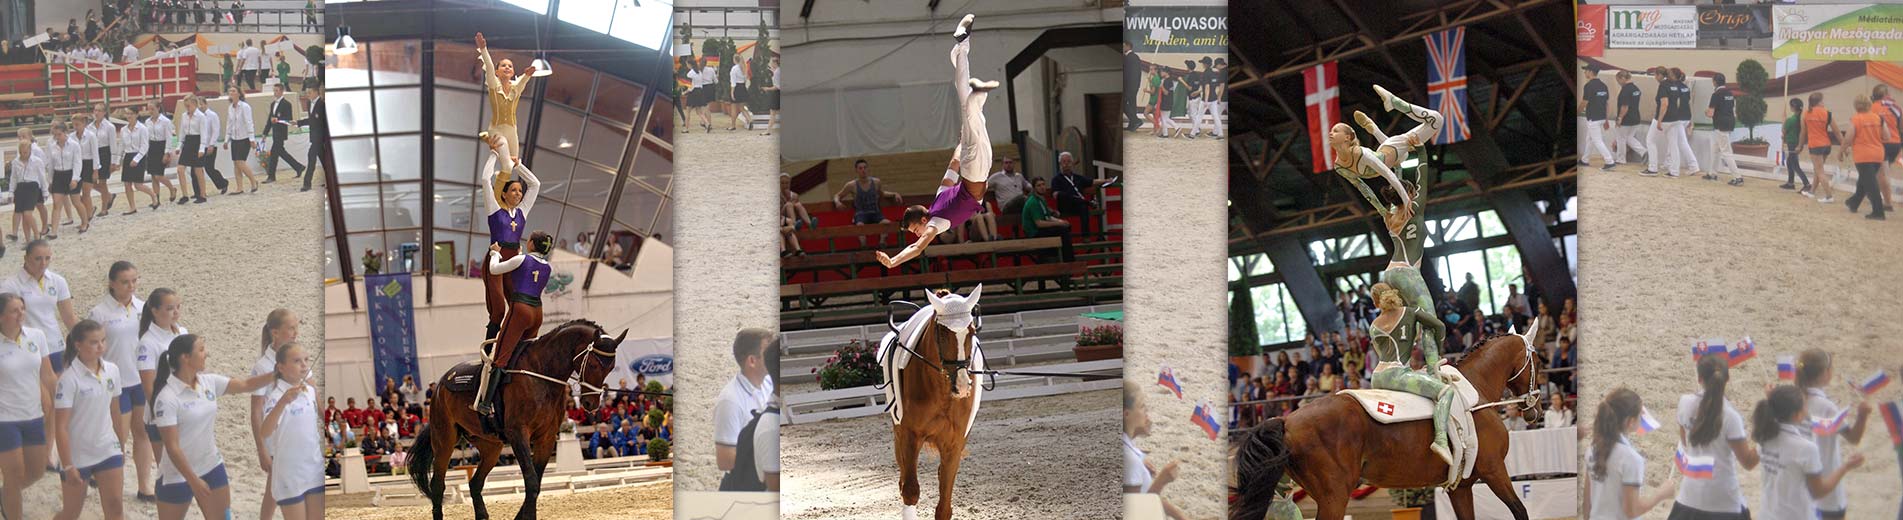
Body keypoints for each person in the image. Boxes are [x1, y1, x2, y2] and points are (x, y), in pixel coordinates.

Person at [148, 334, 277, 520]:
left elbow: (246, 384)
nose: (206, 354)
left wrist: (276, 374)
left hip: (211, 465)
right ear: (185, 357)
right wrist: (193, 480)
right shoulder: (166, 398)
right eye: (201, 350)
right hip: (177, 474)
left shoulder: (208, 381)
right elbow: (172, 447)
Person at [88, 261, 158, 501]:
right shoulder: (100, 313)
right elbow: (91, 348)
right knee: (118, 436)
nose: (131, 286)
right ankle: (106, 476)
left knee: (143, 433)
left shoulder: (145, 308)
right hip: (115, 384)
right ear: (112, 283)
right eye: (125, 282)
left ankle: (144, 485)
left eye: (134, 281)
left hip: (140, 378)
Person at [1366, 282, 1454, 463]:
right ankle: (1441, 440)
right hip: (1397, 374)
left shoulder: (1374, 325)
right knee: (1446, 392)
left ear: (1376, 303)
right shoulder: (1411, 312)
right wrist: (1436, 351)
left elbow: (1381, 354)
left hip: (1377, 377)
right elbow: (1439, 327)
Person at [1665, 354, 1759, 519]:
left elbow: (1685, 442)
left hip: (1690, 497)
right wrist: (1765, 438)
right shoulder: (1730, 416)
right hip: (1724, 502)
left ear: (1699, 378)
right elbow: (1749, 462)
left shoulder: (1685, 403)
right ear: (1727, 379)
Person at [472, 233, 554, 418]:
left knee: (501, 356)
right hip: (537, 312)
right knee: (524, 356)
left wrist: (495, 253)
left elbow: (494, 270)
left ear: (532, 244)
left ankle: (486, 403)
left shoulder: (522, 259)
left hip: (521, 309)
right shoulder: (548, 267)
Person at [52, 320, 127, 520]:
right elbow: (60, 427)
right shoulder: (68, 379)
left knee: (115, 506)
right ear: (78, 345)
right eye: (94, 342)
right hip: (77, 453)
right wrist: (68, 464)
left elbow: (115, 411)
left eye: (103, 340)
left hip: (107, 448)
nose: (101, 346)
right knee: (71, 513)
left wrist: (121, 446)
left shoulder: (112, 370)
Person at [1752, 385, 1863, 520]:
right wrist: (1846, 467)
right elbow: (1818, 491)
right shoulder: (1805, 448)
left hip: (1767, 514)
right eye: (1804, 407)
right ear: (1797, 415)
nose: (1807, 410)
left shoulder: (1765, 437)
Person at [1793, 349, 1872, 518]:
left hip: (1800, 488)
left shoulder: (1794, 399)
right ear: (1826, 374)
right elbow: (1853, 438)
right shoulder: (1826, 406)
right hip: (1827, 486)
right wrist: (1863, 415)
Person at [0, 293, 55, 520]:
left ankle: (6, 495)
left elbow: (48, 374)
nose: (21, 314)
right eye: (15, 310)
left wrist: (57, 401)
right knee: (13, 474)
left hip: (33, 415)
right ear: (1, 316)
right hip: (4, 420)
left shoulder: (37, 336)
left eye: (22, 309)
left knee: (36, 471)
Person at [1583, 388, 1678, 520]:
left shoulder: (1592, 449)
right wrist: (1661, 494)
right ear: (1630, 422)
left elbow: (1587, 500)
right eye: (1640, 414)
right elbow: (1631, 510)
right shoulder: (1630, 458)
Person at [477, 152, 541, 343]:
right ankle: (488, 352)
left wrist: (518, 165)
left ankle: (515, 345)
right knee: (498, 311)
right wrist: (493, 155)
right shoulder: (495, 211)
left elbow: (535, 185)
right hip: (495, 261)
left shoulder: (522, 212)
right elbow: (485, 180)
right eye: (513, 190)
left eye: (520, 191)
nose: (518, 194)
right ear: (503, 194)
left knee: (519, 305)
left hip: (514, 262)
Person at [4, 240, 79, 374]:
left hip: (55, 343)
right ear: (26, 258)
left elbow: (68, 316)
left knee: (58, 390)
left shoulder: (57, 281)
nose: (43, 263)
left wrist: (83, 341)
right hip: (28, 346)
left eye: (47, 258)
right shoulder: (11, 285)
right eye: (38, 259)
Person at [474, 32, 541, 181]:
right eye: (503, 65)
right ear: (497, 72)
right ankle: (496, 190)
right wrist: (483, 49)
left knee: (514, 163)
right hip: (497, 129)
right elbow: (489, 67)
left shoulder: (515, 88)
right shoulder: (493, 84)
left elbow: (522, 82)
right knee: (507, 165)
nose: (507, 67)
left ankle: (503, 192)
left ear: (513, 72)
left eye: (510, 66)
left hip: (512, 130)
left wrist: (528, 75)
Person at [250, 308, 298, 518]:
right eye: (291, 328)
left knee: (279, 486)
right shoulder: (263, 367)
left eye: (297, 327)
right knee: (276, 487)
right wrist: (261, 448)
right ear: (275, 332)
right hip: (275, 435)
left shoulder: (296, 358)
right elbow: (256, 411)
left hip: (294, 430)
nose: (296, 332)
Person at [715, 328, 773, 491]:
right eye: (767, 353)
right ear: (752, 361)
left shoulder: (769, 383)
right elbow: (724, 460)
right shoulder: (730, 400)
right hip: (742, 487)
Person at [1122, 381, 1190, 519]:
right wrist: (1161, 481)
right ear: (1126, 414)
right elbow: (1137, 513)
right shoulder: (1131, 460)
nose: (1146, 411)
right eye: (1141, 406)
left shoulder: (1131, 450)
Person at [1840, 95, 1891, 220]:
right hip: (1878, 154)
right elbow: (1887, 136)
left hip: (1863, 155)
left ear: (1856, 106)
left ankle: (1878, 212)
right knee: (1864, 180)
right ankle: (1853, 202)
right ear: (1869, 104)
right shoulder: (1879, 118)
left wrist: (1841, 151)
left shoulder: (1856, 119)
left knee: (1870, 183)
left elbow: (1848, 138)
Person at [833, 159, 900, 226]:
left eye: (865, 167)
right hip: (861, 214)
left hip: (875, 213)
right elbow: (837, 195)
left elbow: (882, 193)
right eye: (860, 168)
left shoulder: (876, 182)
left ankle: (882, 237)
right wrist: (837, 202)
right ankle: (862, 237)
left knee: (887, 224)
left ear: (868, 169)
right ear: (856, 170)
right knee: (860, 226)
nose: (863, 170)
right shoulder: (851, 185)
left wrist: (895, 194)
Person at [1702, 73, 1741, 184]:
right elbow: (1734, 110)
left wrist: (1706, 112)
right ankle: (1712, 173)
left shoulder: (1716, 94)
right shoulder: (1730, 93)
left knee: (1726, 151)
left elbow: (1710, 113)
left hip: (1720, 124)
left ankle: (1737, 177)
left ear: (1714, 82)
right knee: (1715, 149)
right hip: (1729, 122)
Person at [12, 129, 49, 244]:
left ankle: (43, 228)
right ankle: (28, 239)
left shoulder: (36, 151)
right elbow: (14, 176)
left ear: (29, 135)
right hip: (22, 187)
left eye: (23, 136)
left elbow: (42, 170)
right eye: (19, 136)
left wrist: (44, 190)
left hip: (34, 185)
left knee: (38, 207)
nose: (21, 138)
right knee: (24, 214)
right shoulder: (18, 155)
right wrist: (11, 191)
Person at [264, 81, 306, 182]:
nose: (275, 92)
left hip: (281, 132)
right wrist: (265, 132)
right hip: (275, 132)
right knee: (281, 152)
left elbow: (289, 118)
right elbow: (270, 119)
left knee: (274, 153)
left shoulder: (287, 104)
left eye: (277, 91)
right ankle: (298, 167)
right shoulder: (273, 104)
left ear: (282, 91)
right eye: (274, 91)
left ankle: (271, 176)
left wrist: (278, 119)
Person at [1803, 92, 1839, 203]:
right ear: (1819, 102)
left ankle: (1829, 196)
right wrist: (1843, 145)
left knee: (1819, 171)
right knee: (1818, 170)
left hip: (1815, 145)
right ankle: (1812, 191)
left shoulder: (1806, 114)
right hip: (1826, 144)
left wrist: (1800, 145)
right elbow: (1837, 132)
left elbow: (1803, 133)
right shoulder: (1828, 114)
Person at [47, 122, 81, 237]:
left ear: (65, 133)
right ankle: (54, 231)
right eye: (55, 135)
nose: (57, 137)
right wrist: (50, 180)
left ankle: (85, 221)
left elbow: (77, 163)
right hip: (58, 175)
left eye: (59, 134)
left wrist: (75, 178)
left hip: (70, 173)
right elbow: (50, 164)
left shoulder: (74, 145)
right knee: (56, 204)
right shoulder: (52, 146)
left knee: (76, 201)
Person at [225, 85, 260, 194]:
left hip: (244, 138)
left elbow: (249, 122)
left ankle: (253, 181)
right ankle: (239, 187)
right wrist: (227, 139)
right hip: (235, 138)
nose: (231, 92)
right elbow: (229, 124)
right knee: (236, 163)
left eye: (234, 91)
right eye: (230, 91)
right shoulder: (230, 107)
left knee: (240, 162)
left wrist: (252, 138)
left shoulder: (245, 107)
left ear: (239, 93)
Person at [297, 84, 332, 193]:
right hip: (314, 137)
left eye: (309, 92)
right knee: (324, 161)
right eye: (307, 93)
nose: (307, 95)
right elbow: (311, 120)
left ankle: (307, 183)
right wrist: (299, 123)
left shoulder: (322, 104)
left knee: (311, 157)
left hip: (320, 138)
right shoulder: (309, 103)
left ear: (316, 92)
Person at [1581, 68, 1616, 170]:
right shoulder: (1603, 85)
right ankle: (1585, 160)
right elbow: (1607, 103)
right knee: (1590, 139)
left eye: (1586, 70)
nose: (1585, 72)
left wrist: (1577, 112)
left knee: (1597, 141)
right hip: (1601, 117)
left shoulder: (1588, 86)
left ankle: (1609, 162)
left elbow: (1584, 102)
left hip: (1593, 118)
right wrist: (1606, 119)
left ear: (1591, 72)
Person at [1873, 85, 1900, 212]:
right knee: (1884, 171)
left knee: (1882, 174)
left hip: (1881, 142)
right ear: (1885, 95)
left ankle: (1887, 202)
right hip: (1895, 143)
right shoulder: (1895, 107)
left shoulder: (1872, 107)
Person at [1781, 98, 1812, 194]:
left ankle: (1806, 184)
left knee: (1794, 164)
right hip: (1797, 142)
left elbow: (1784, 131)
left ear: (1793, 107)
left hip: (1791, 142)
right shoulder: (1801, 118)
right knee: (1790, 162)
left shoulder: (1791, 120)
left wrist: (1784, 121)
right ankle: (1790, 183)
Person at [1121, 42, 1143, 131]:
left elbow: (1133, 74)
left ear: (1128, 46)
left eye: (1123, 46)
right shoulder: (1129, 57)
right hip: (1131, 86)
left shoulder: (1132, 57)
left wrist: (1130, 86)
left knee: (1123, 104)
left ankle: (1135, 120)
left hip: (1130, 86)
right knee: (1132, 105)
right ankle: (1132, 125)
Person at [727, 57, 752, 131]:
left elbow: (733, 82)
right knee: (742, 107)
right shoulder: (744, 67)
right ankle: (750, 120)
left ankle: (733, 125)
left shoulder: (734, 69)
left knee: (733, 107)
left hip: (736, 88)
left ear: (734, 60)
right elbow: (745, 79)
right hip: (742, 87)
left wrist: (732, 92)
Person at [760, 56, 780, 136]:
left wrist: (767, 89)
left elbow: (777, 86)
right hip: (778, 92)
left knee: (772, 113)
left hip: (777, 93)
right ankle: (768, 130)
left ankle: (768, 131)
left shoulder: (777, 72)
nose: (770, 64)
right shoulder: (778, 71)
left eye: (771, 62)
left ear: (775, 63)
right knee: (773, 113)